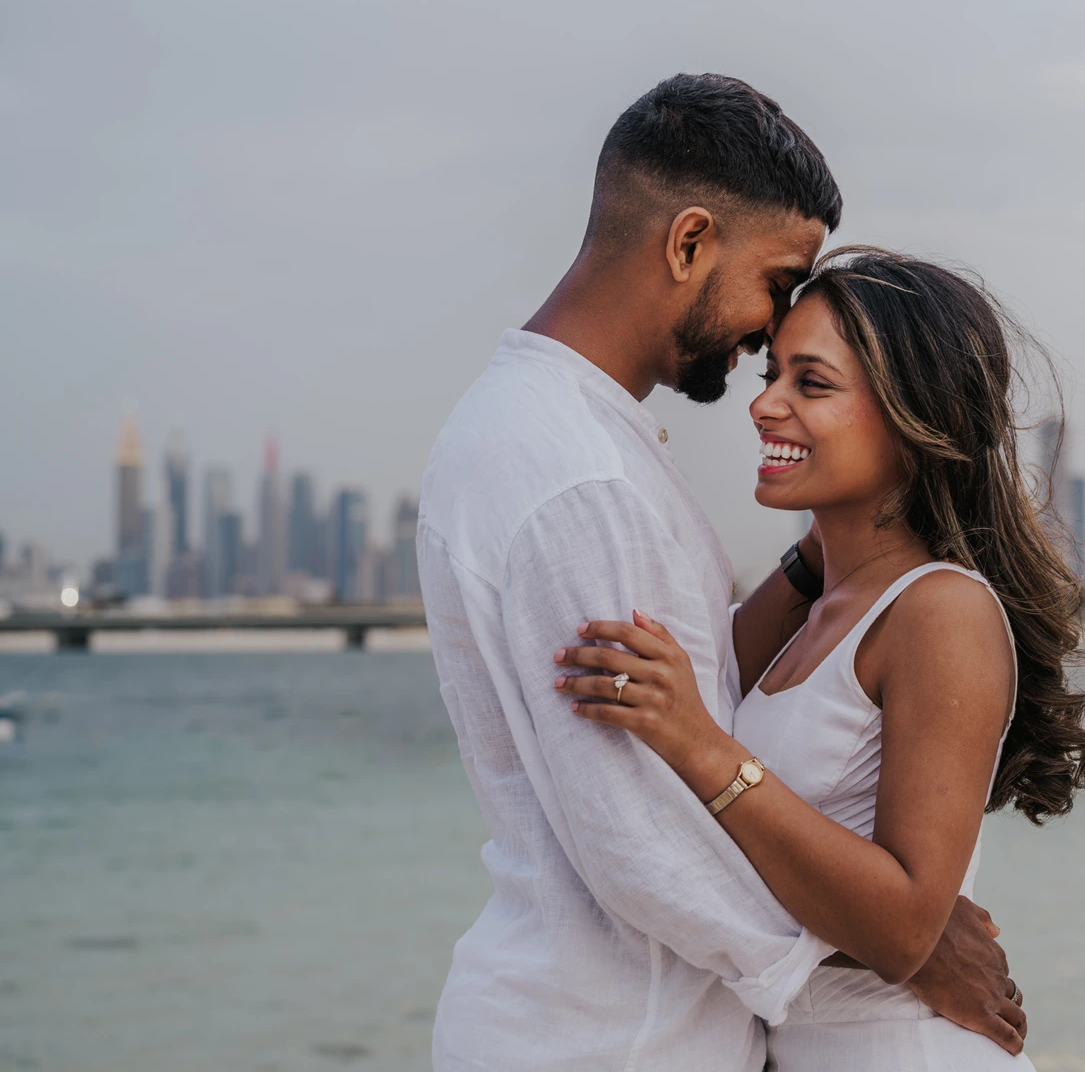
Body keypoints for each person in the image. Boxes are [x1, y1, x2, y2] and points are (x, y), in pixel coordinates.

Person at [417, 76, 1024, 1071]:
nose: (761, 378)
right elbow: (636, 832)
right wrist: (884, 951)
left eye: (809, 376)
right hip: (610, 1041)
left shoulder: (565, 440)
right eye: (777, 287)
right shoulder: (583, 476)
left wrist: (893, 941)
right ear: (689, 241)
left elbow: (706, 717)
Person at [553, 247, 1085, 1069]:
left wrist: (705, 748)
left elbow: (908, 926)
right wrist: (823, 553)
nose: (764, 405)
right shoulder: (818, 603)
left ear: (914, 418)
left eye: (811, 384)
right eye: (771, 373)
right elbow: (714, 688)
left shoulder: (941, 611)